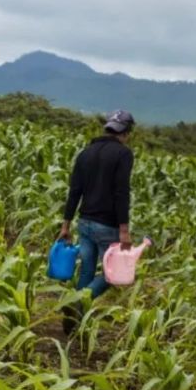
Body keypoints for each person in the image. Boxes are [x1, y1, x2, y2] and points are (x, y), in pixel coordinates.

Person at [59, 109, 136, 334]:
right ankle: (78, 302)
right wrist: (124, 229)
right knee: (113, 275)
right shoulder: (123, 154)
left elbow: (75, 191)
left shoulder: (86, 153)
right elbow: (121, 192)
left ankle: (76, 320)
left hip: (84, 222)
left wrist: (66, 224)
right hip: (107, 225)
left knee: (86, 271)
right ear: (126, 132)